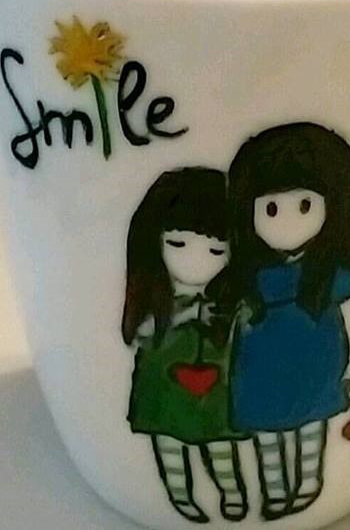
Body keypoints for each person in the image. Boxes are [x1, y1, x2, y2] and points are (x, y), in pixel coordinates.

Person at [228, 123, 350, 519]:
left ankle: (308, 485)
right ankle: (275, 492)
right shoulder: (253, 274)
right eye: (270, 208)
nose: (285, 221)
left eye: (305, 205)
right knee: (266, 430)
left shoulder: (328, 274)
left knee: (311, 424)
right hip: (261, 366)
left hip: (316, 360)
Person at [122, 167, 247, 523]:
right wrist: (183, 315)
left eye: (217, 249)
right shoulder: (157, 299)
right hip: (162, 384)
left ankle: (232, 493)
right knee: (168, 442)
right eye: (177, 244)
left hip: (216, 386)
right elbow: (140, 334)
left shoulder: (226, 300)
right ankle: (179, 496)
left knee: (220, 441)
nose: (197, 260)